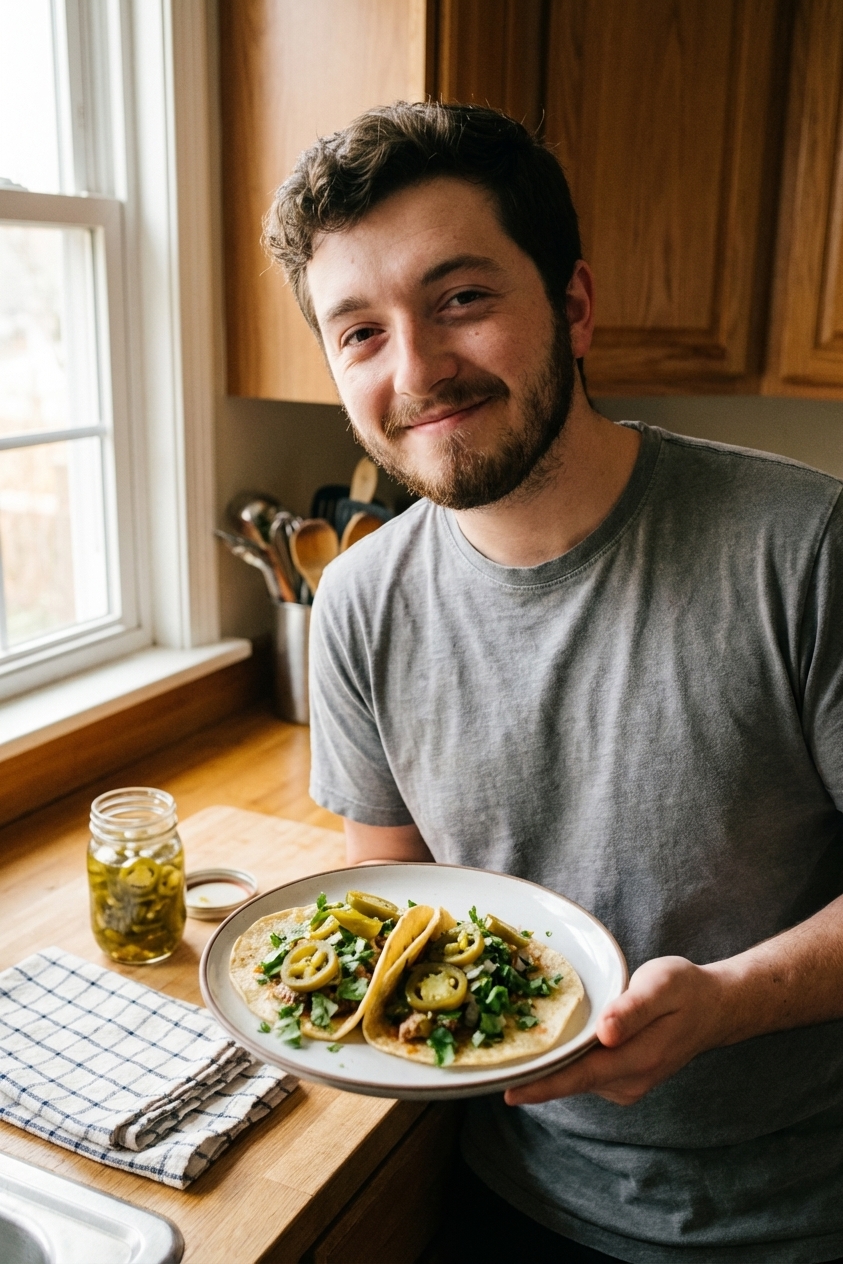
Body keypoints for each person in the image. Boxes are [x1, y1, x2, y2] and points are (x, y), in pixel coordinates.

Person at [264, 102, 843, 1262]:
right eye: (360, 332)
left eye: (461, 299)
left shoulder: (804, 548)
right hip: (511, 1190)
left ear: (573, 306)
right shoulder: (361, 602)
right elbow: (398, 902)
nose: (418, 369)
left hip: (793, 1216)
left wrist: (729, 1000)